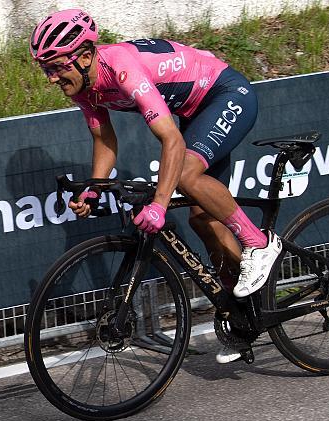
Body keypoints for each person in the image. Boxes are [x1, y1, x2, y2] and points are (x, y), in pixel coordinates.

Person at [30, 8, 282, 363]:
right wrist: (93, 190)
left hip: (227, 94)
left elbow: (172, 140)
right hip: (195, 113)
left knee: (183, 175)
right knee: (202, 219)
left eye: (56, 67)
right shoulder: (84, 88)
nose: (52, 78)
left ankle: (259, 244)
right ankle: (247, 314)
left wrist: (160, 205)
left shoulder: (121, 69)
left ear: (85, 56)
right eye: (46, 69)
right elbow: (105, 142)